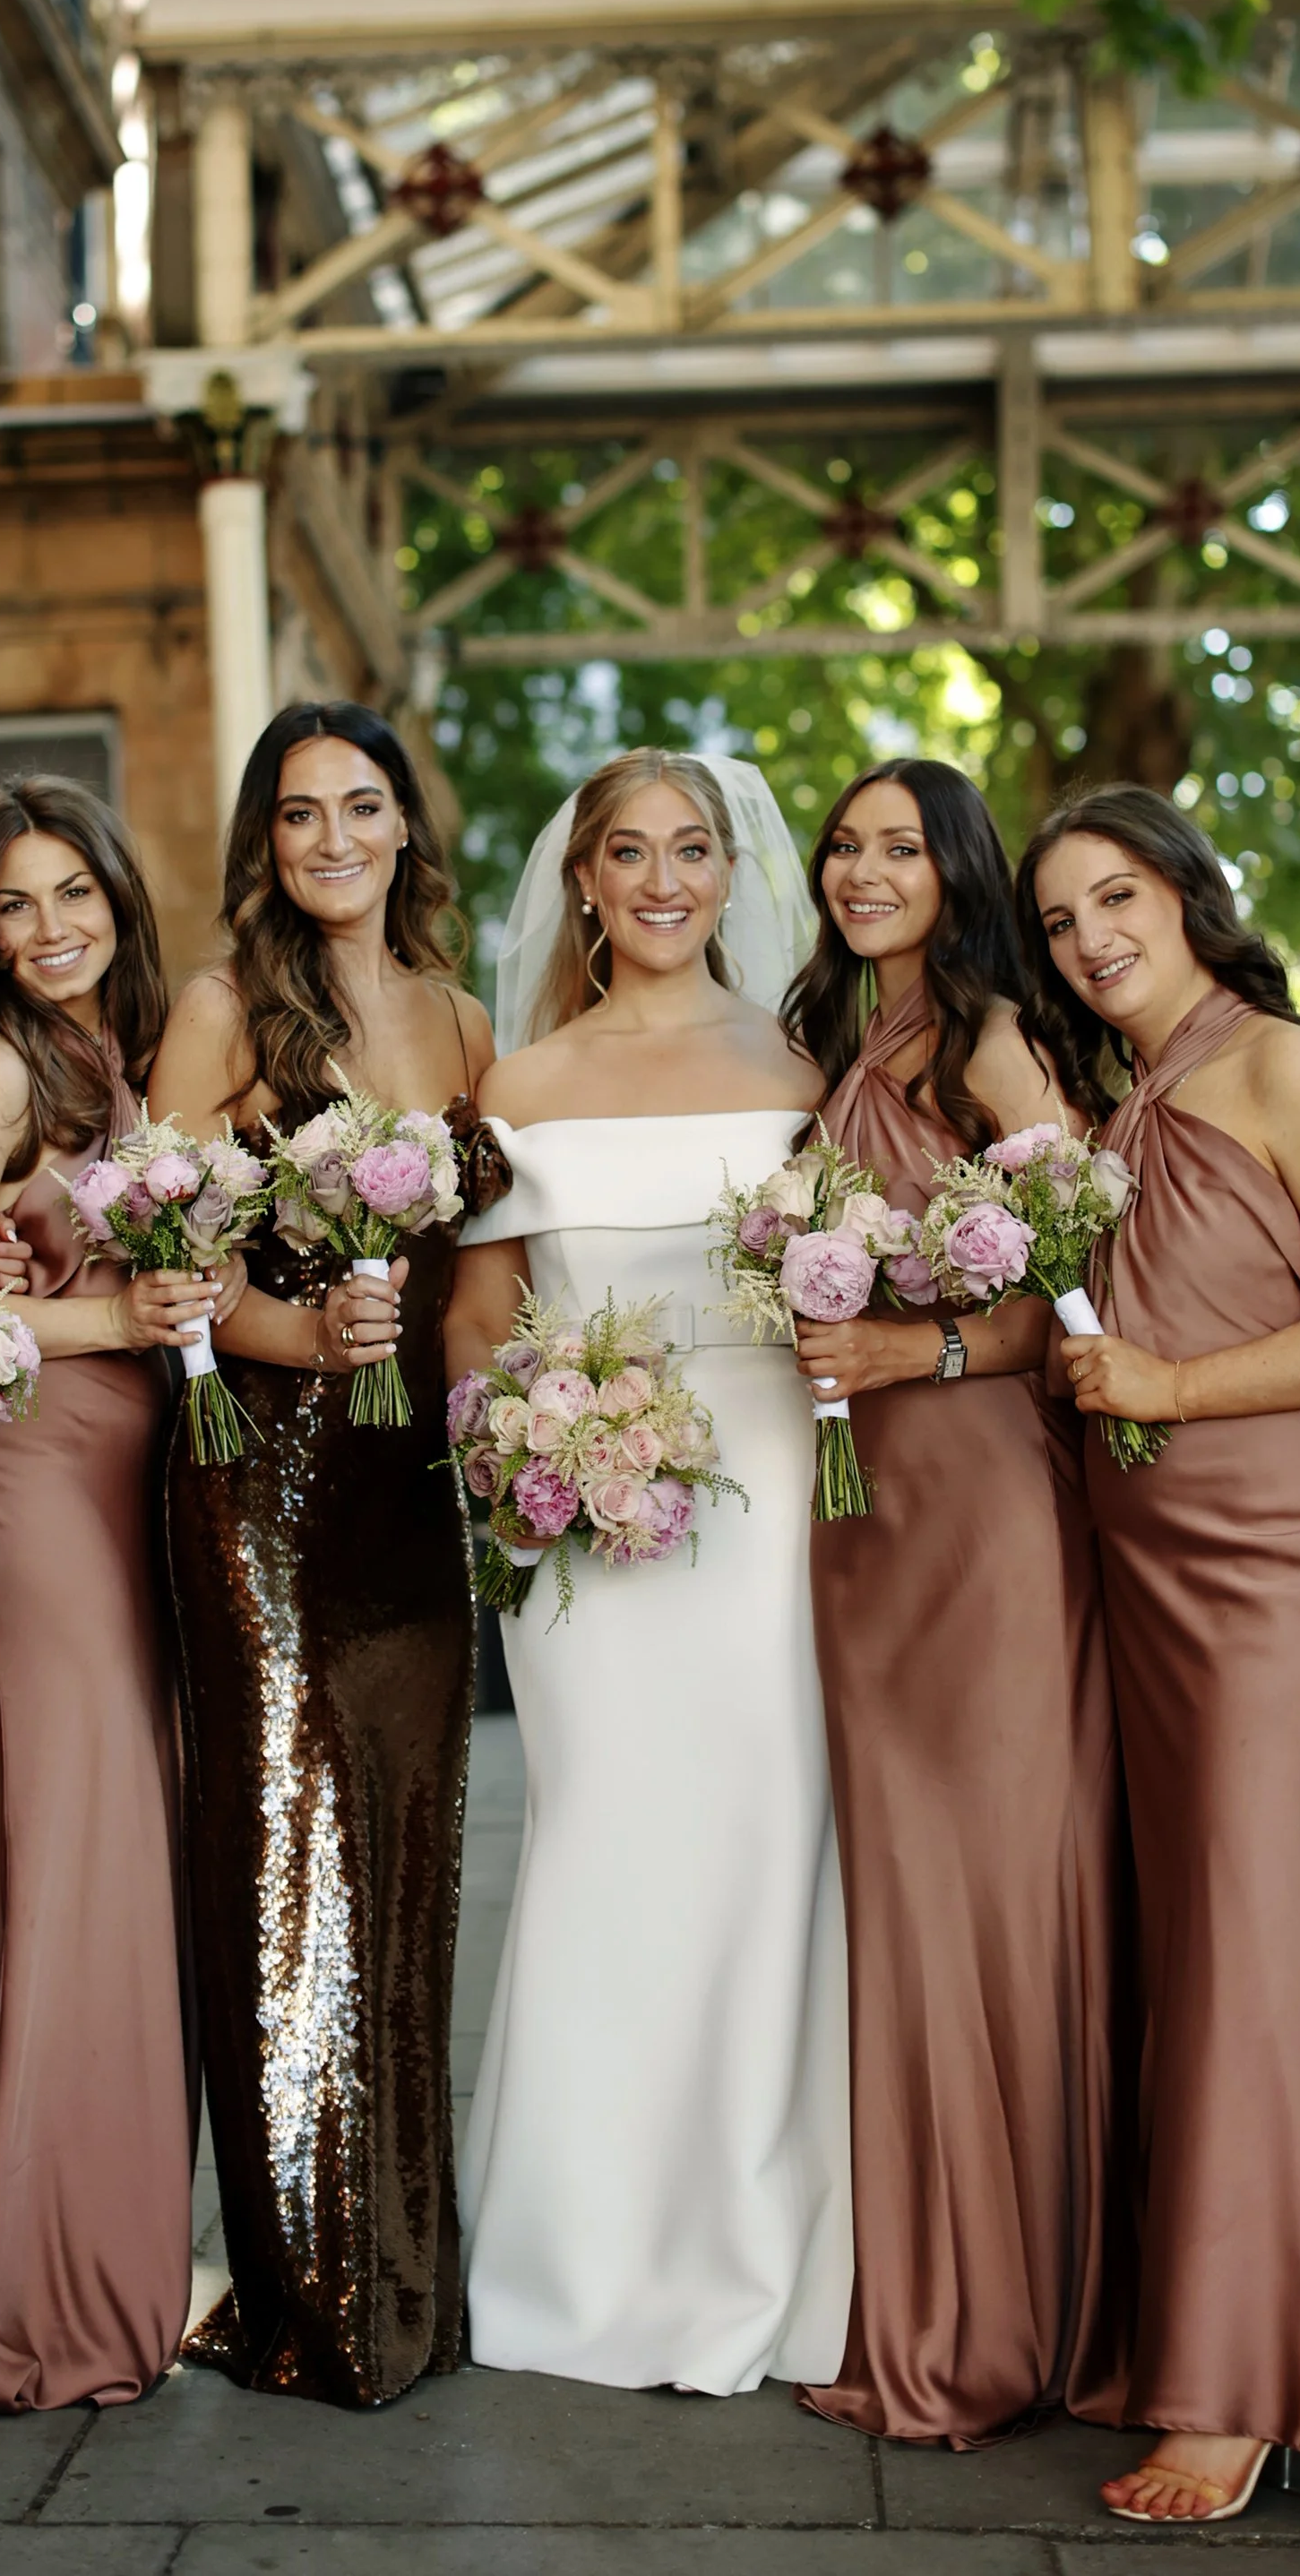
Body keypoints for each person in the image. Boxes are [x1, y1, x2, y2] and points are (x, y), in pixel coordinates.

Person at [1020, 782, 1300, 2521]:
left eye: (1116, 897)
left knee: (1252, 1941)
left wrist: (1174, 1385)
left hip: (1277, 1557)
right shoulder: (1121, 1102)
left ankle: (1237, 2390)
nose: (1090, 938)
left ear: (1190, 894)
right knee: (1232, 1943)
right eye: (1060, 921)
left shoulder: (1289, 1067)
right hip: (1149, 1564)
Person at [445, 748, 852, 2395]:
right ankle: (582, 2261)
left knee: (765, 1856)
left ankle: (760, 2254)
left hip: (770, 1504)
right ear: (586, 881)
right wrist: (522, 1445)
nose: (666, 880)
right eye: (632, 852)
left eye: (693, 850)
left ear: (729, 872)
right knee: (605, 1848)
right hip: (585, 1531)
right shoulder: (523, 1081)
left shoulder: (808, 1065)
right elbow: (480, 1316)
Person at [148, 700, 504, 2408]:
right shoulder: (225, 1009)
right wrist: (295, 1332)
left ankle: (406, 2271)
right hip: (263, 1490)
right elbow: (160, 1245)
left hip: (409, 1489)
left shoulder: (465, 1018)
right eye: (300, 815)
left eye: (362, 806)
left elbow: (490, 1268)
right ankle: (310, 2292)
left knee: (409, 1858)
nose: (334, 839)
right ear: (266, 842)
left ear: (405, 825)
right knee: (286, 1863)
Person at [783, 760, 1132, 2445]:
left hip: (984, 1507)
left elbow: (1082, 1290)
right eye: (844, 847)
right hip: (866, 1517)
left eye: (901, 848)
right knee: (911, 1906)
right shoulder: (851, 1046)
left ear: (957, 870)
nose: (863, 872)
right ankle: (933, 2305)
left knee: (993, 1895)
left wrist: (907, 1349)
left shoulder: (993, 1041)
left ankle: (1010, 2326)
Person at [0, 774, 214, 2412]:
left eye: (72, 894)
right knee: (73, 1854)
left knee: (114, 1851)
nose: (47, 930)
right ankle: (35, 2297)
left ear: (117, 894)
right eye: (12, 904)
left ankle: (100, 2256)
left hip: (125, 1483)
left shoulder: (124, 1059)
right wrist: (112, 1322)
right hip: (30, 1484)